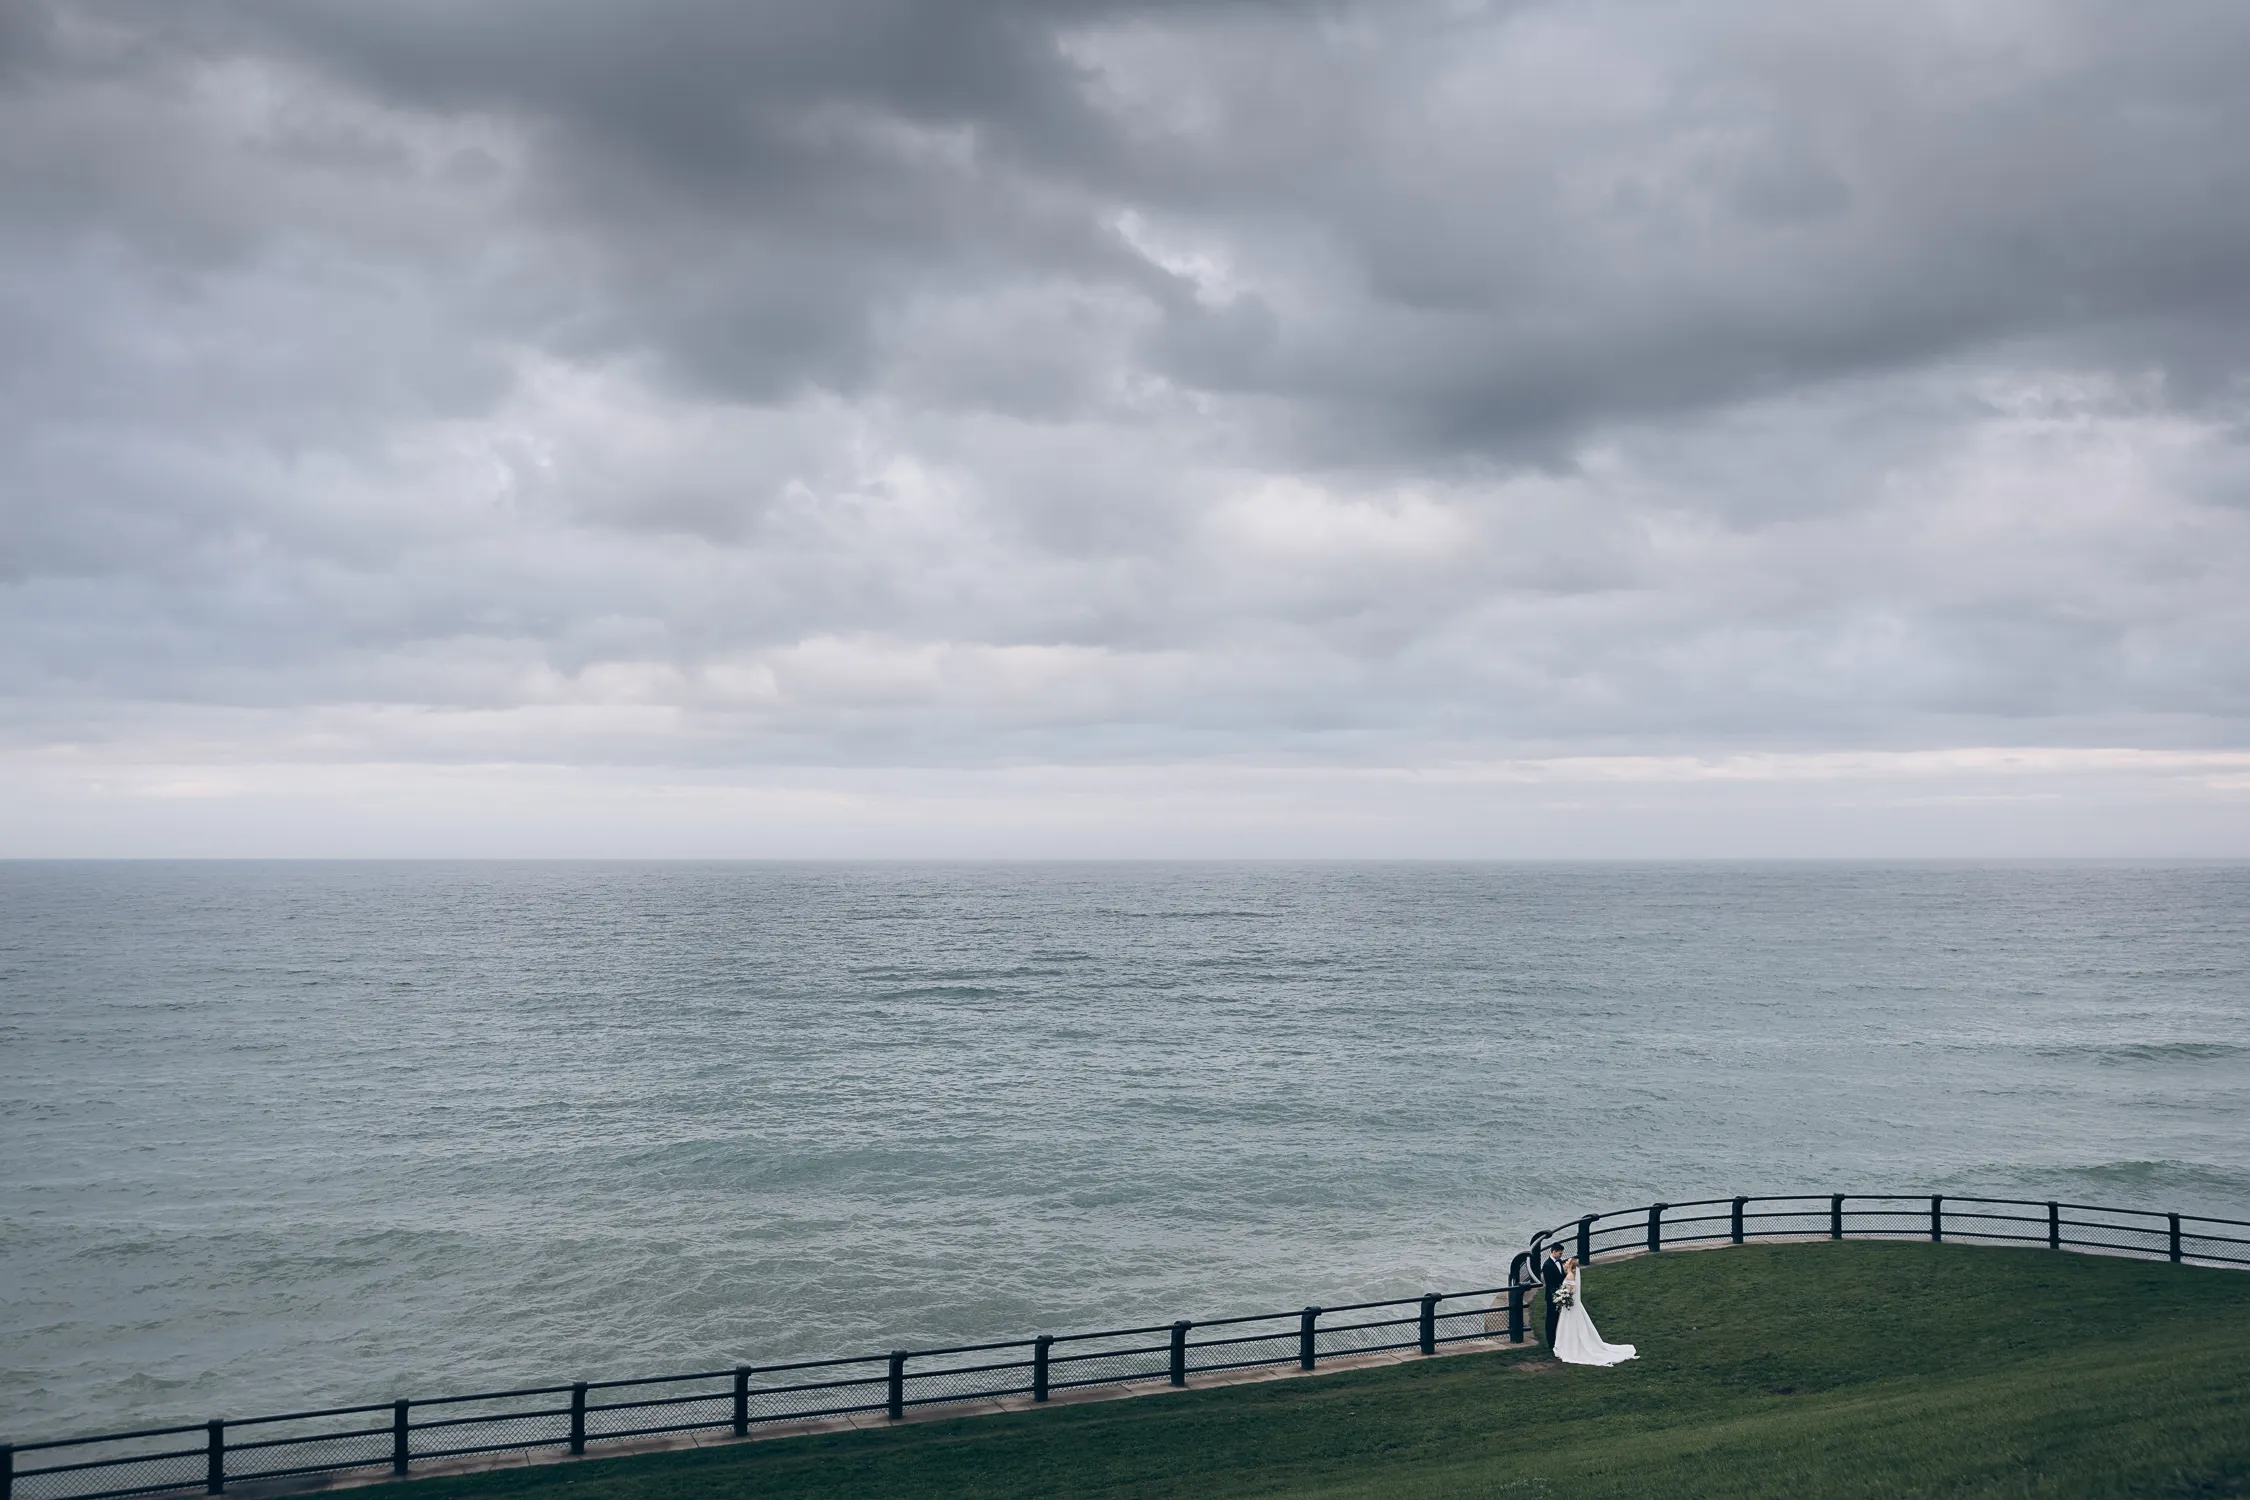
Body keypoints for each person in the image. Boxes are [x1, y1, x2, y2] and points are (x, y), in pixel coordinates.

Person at [1550, 1257, 1638, 1366]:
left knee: (1570, 1324)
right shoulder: (1571, 1275)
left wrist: (1562, 1296)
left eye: (1567, 1262)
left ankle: (1570, 1347)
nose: (1565, 1262)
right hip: (1570, 1305)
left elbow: (1570, 1291)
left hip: (1570, 1306)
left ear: (1570, 1265)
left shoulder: (1570, 1276)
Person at [1539, 1244, 1568, 1348]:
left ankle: (1558, 1339)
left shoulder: (1559, 1262)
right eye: (1560, 1253)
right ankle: (1551, 1342)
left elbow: (1562, 1277)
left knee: (1558, 1318)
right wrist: (1559, 1294)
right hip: (1553, 1296)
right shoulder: (1547, 1265)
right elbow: (1550, 1283)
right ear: (1554, 1252)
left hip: (1560, 1293)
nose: (1561, 1255)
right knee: (1551, 1319)